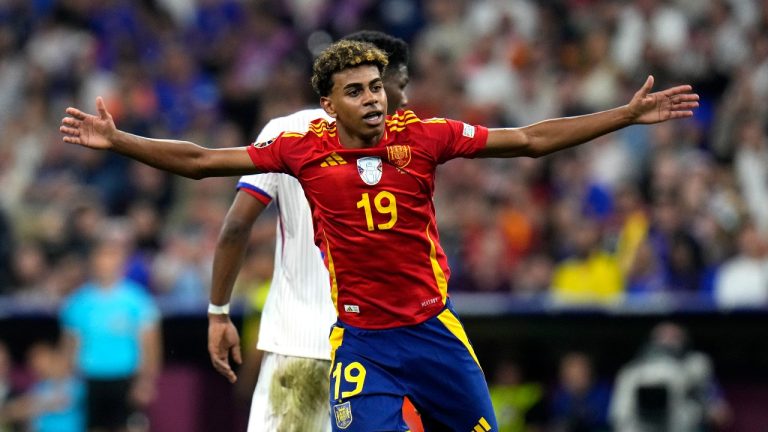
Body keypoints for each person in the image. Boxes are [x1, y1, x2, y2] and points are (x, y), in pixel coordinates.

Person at [60, 39, 698, 431]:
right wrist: (118, 142)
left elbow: (528, 141)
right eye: (356, 91)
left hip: (434, 331)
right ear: (328, 105)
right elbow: (200, 161)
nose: (373, 100)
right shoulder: (299, 150)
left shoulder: (424, 134)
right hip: (363, 345)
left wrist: (625, 115)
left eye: (376, 87)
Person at [208, 31, 412, 432]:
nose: (403, 98)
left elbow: (235, 225)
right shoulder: (406, 145)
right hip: (373, 353)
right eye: (400, 85)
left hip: (299, 347)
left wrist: (218, 312)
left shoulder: (288, 132)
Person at [59, 227, 162, 432]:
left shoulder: (138, 301)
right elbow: (69, 348)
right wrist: (67, 384)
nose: (106, 262)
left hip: (126, 379)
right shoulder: (77, 303)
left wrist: (145, 382)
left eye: (112, 256)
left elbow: (150, 345)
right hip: (92, 380)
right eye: (102, 256)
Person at [609, 322, 731, 432]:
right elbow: (618, 416)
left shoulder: (696, 367)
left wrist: (705, 408)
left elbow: (720, 413)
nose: (668, 342)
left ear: (684, 340)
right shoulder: (631, 373)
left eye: (674, 337)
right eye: (663, 337)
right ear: (651, 340)